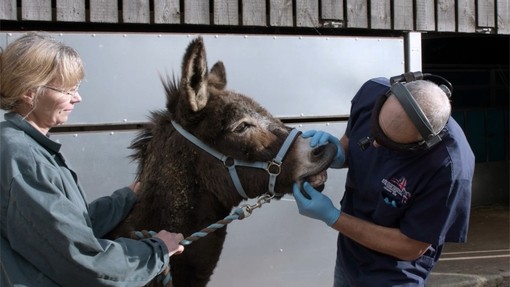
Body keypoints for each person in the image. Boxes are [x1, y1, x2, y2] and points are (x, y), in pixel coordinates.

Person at [0, 32, 184, 286]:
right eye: (67, 89)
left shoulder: (24, 147)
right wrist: (157, 251)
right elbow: (82, 260)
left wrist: (126, 198)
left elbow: (69, 227)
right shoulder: (24, 159)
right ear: (29, 92)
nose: (77, 98)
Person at [293, 73, 475, 286]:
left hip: (394, 274)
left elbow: (411, 247)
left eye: (389, 144)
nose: (376, 145)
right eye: (375, 132)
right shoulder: (371, 92)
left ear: (422, 143)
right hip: (349, 257)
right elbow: (350, 145)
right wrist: (333, 153)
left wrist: (333, 217)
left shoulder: (449, 167)